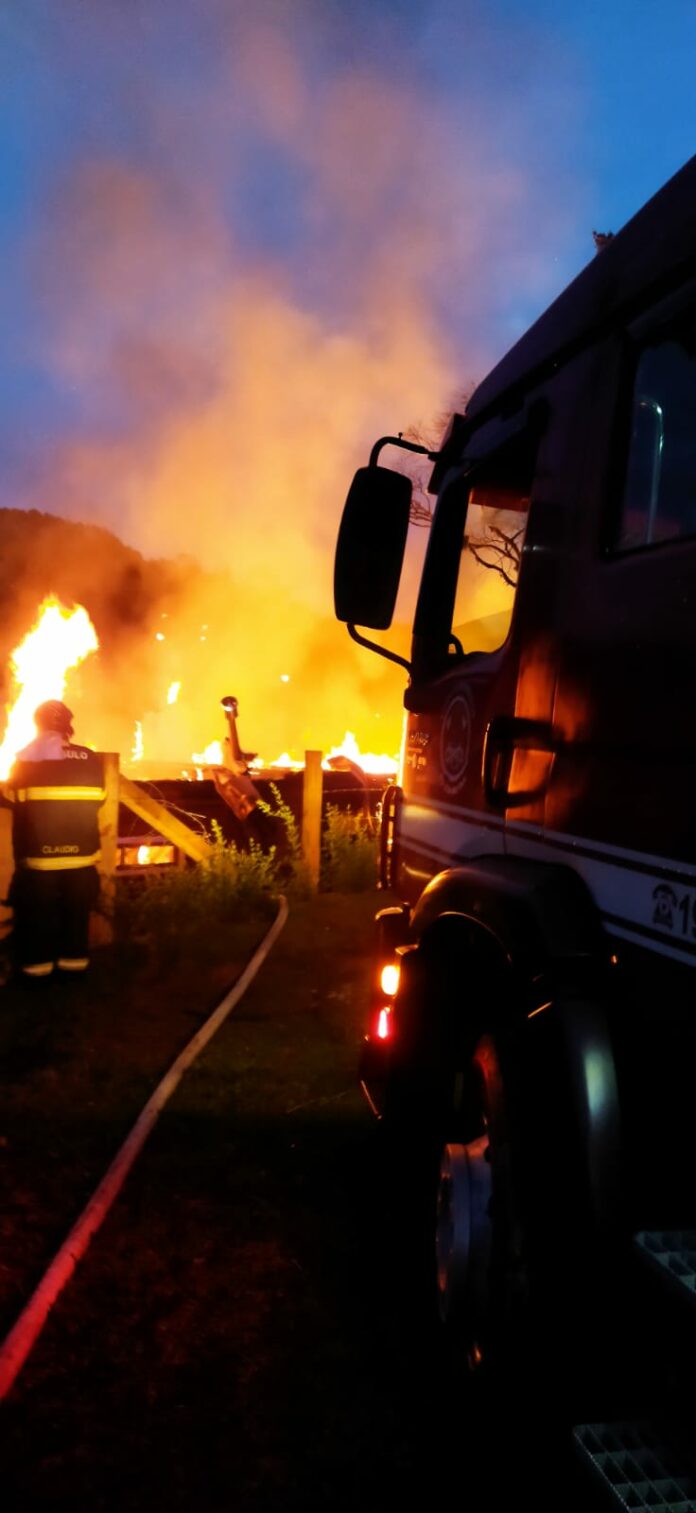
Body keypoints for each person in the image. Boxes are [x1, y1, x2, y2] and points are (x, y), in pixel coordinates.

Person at [4, 700, 105, 979]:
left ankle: (37, 975)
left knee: (38, 917)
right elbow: (100, 798)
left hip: (41, 859)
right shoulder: (90, 757)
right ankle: (74, 972)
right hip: (82, 857)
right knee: (76, 915)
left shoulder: (28, 759)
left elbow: (13, 798)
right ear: (68, 728)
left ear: (38, 725)